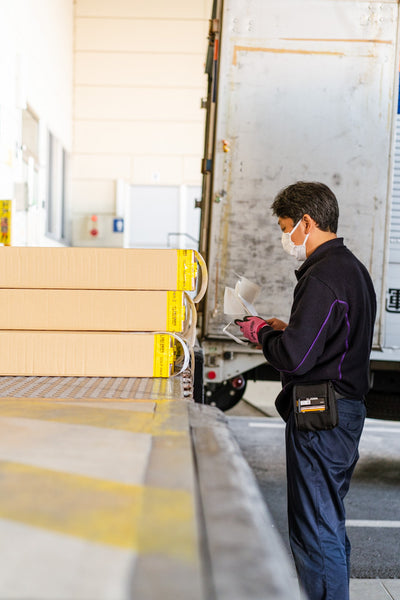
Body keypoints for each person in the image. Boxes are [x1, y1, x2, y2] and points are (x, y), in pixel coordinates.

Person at [236, 181, 376, 600]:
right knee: (327, 522)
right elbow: (328, 338)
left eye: (286, 228)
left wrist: (261, 332)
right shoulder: (351, 269)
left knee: (315, 530)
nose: (285, 238)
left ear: (307, 222)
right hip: (343, 412)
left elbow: (295, 358)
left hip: (321, 416)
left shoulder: (323, 276)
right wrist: (285, 327)